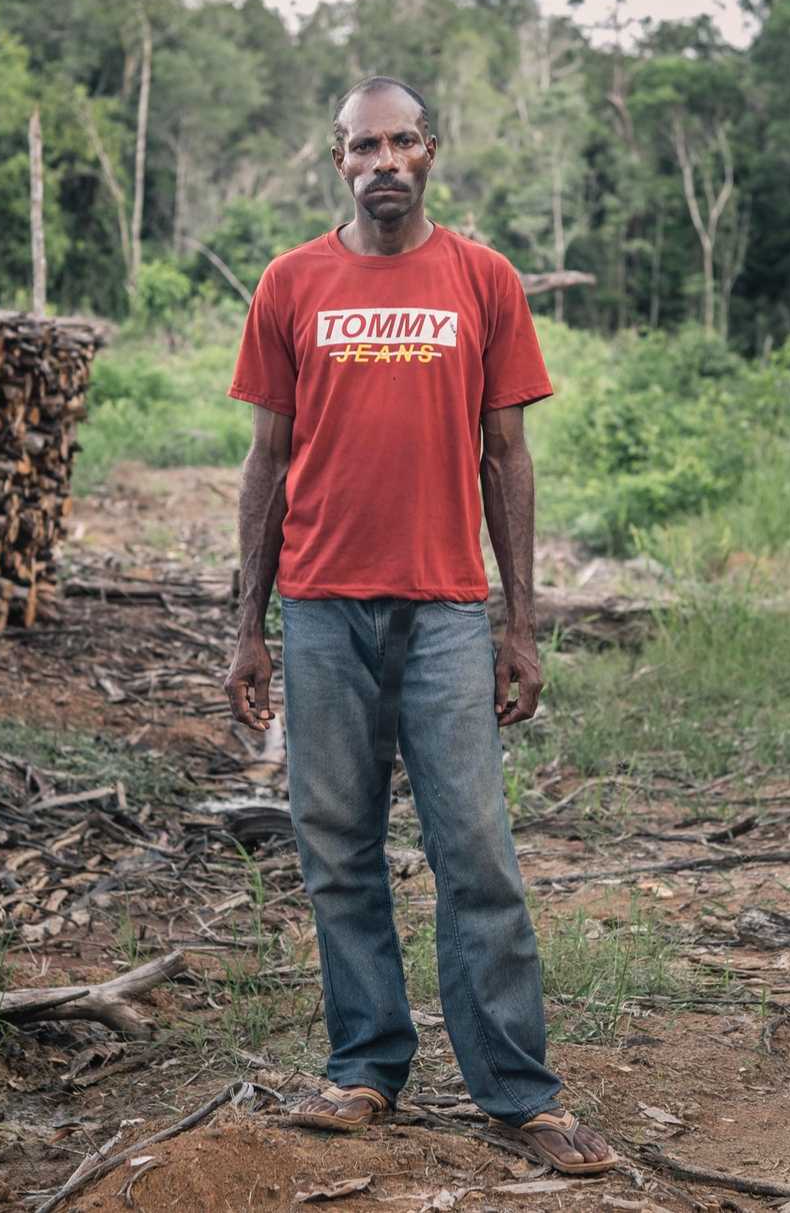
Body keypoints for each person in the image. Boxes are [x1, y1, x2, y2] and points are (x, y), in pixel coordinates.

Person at [222, 76, 618, 1176]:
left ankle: (516, 1093)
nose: (382, 161)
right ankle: (363, 1068)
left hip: (445, 608)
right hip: (320, 608)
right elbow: (266, 462)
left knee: (475, 849)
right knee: (336, 851)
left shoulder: (482, 280)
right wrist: (245, 627)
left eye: (401, 142)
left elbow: (506, 456)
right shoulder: (291, 281)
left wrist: (519, 624)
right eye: (362, 146)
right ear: (337, 160)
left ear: (429, 153)